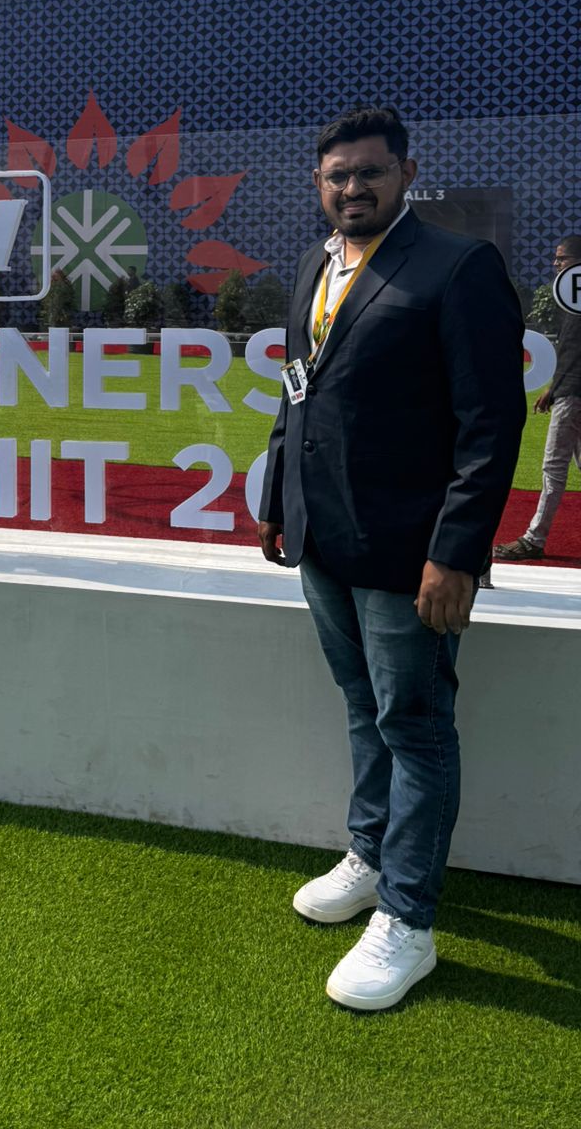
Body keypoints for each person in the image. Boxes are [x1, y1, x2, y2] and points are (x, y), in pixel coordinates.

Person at [258, 107, 525, 1012]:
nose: (353, 188)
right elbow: (297, 393)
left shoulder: (458, 265)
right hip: (323, 539)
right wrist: (276, 499)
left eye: (369, 172)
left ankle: (409, 919)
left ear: (406, 174)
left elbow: (492, 425)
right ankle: (371, 854)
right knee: (361, 708)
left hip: (410, 552)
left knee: (414, 725)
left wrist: (456, 554)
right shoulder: (315, 263)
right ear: (318, 184)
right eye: (337, 176)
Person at [492, 235, 581, 563]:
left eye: (562, 258)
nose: (556, 264)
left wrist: (558, 391)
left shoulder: (572, 298)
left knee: (553, 467)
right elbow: (571, 351)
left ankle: (534, 538)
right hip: (569, 391)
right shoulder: (570, 299)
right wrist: (553, 389)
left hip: (572, 396)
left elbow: (574, 355)